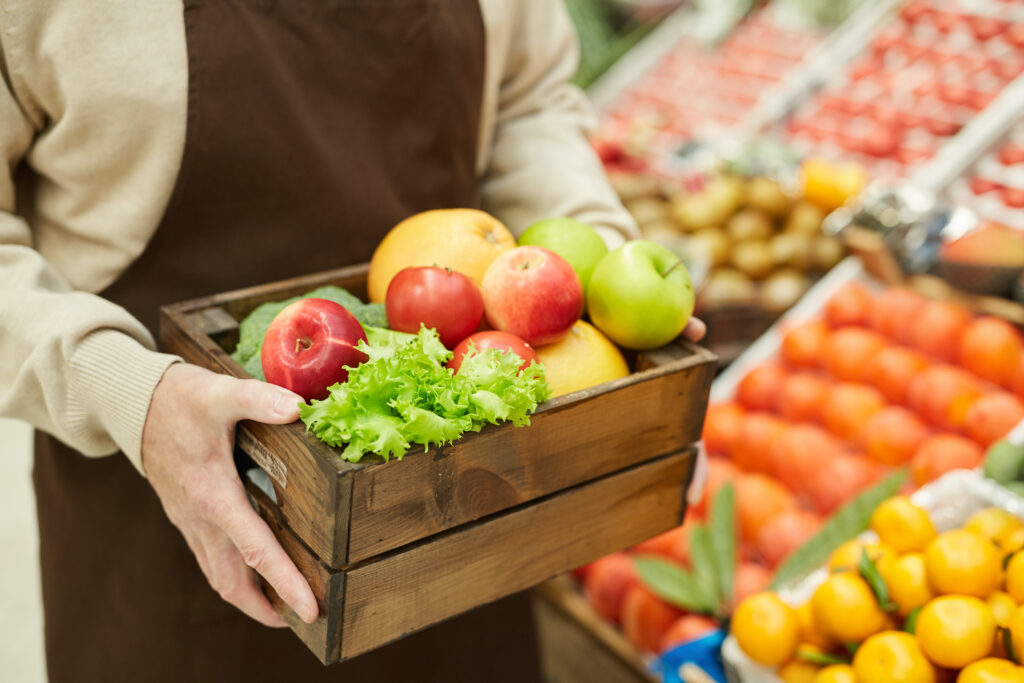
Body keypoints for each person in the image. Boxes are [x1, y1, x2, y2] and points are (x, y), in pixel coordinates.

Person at [0, 1, 705, 680]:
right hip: (164, 528)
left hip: (455, 514)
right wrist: (131, 396)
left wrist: (598, 272)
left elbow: (527, 102)